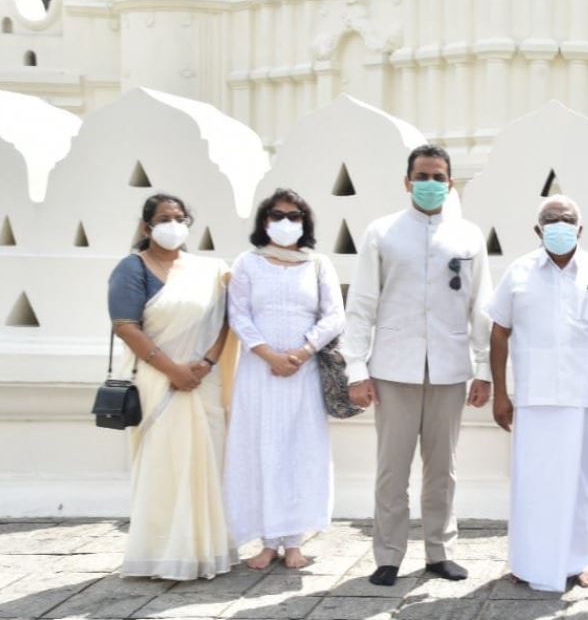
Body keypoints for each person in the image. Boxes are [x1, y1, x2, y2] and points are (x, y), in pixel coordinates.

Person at [343, 144, 493, 587]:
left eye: (439, 176)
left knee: (442, 467)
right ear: (407, 181)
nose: (431, 184)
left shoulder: (468, 236)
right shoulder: (383, 232)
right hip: (393, 368)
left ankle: (440, 551)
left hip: (449, 367)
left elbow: (479, 305)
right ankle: (388, 554)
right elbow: (363, 303)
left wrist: (483, 368)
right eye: (422, 176)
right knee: (392, 467)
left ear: (451, 182)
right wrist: (356, 369)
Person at [487, 195, 588, 592]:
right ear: (537, 230)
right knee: (531, 484)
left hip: (584, 397)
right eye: (551, 220)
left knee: (581, 482)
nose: (559, 225)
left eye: (567, 220)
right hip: (532, 398)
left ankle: (581, 561)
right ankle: (525, 562)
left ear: (580, 229)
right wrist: (501, 393)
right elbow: (499, 331)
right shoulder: (518, 273)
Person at [108, 193, 233, 580]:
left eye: (180, 218)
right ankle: (161, 552)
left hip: (203, 380)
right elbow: (126, 326)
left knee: (207, 462)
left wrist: (207, 362)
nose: (173, 225)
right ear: (147, 227)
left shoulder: (209, 271)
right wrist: (173, 370)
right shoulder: (132, 269)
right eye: (164, 218)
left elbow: (225, 321)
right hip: (158, 381)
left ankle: (205, 551)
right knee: (165, 464)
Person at [225, 188, 344, 570]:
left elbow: (334, 316)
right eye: (277, 215)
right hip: (259, 373)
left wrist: (303, 351)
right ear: (264, 221)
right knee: (261, 450)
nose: (285, 223)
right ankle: (266, 541)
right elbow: (238, 315)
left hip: (303, 373)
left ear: (305, 223)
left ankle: (294, 542)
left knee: (299, 452)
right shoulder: (247, 263)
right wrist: (268, 355)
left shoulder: (318, 264)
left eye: (294, 216)